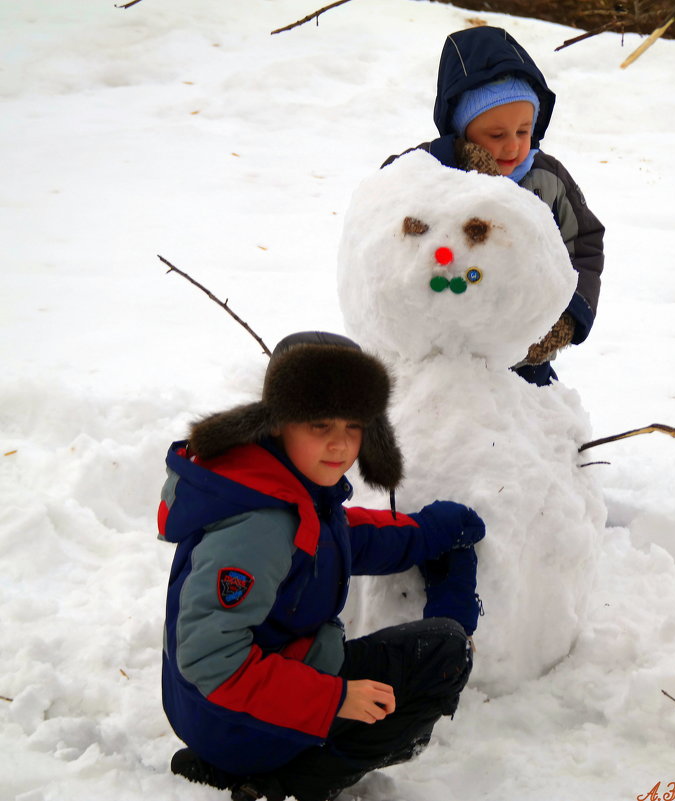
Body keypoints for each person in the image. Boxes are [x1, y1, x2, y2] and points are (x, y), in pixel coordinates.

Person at [157, 331, 485, 801]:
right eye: (319, 425)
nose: (340, 445)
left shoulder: (276, 487)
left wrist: (426, 532)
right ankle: (288, 781)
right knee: (445, 653)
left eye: (353, 426)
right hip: (236, 718)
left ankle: (242, 761)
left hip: (215, 714)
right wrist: (335, 699)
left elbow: (341, 538)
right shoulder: (259, 526)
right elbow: (213, 661)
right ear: (276, 423)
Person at [384, 26, 605, 386]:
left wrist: (567, 317)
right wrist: (453, 158)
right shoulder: (435, 170)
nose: (514, 147)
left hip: (525, 356)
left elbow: (584, 247)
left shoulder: (548, 179)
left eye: (524, 130)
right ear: (463, 130)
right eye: (496, 135)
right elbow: (386, 191)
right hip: (442, 353)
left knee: (530, 429)